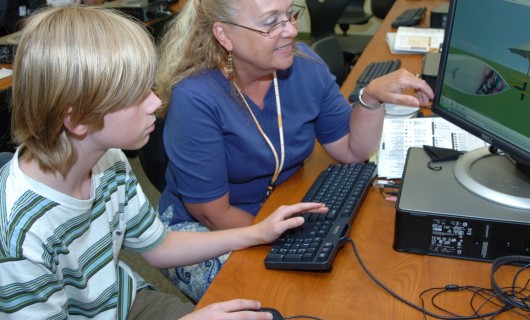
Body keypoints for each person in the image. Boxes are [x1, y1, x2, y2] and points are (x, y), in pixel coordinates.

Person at [0, 5, 329, 320]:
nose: (156, 102)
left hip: (122, 301)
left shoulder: (107, 160)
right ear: (78, 120)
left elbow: (159, 246)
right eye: (136, 94)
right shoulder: (21, 237)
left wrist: (257, 232)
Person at [154, 0, 434, 301]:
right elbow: (212, 214)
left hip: (279, 203)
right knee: (285, 299)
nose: (290, 30)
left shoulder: (304, 65)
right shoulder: (196, 97)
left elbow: (352, 151)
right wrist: (288, 240)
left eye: (289, 15)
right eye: (270, 22)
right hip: (203, 229)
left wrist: (371, 98)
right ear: (224, 35)